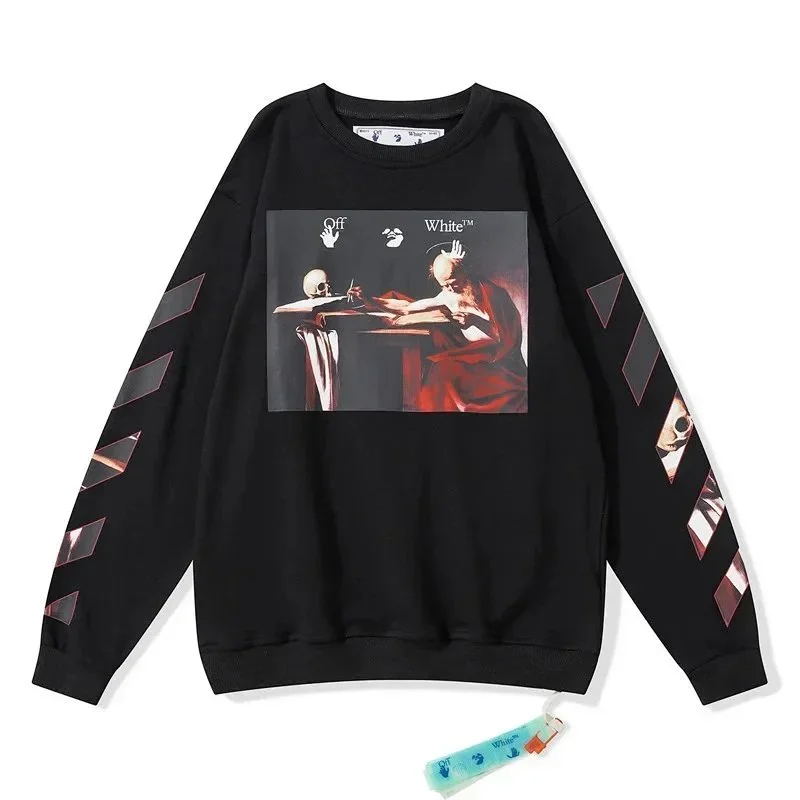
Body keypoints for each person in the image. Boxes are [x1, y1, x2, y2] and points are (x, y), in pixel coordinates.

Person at [354, 241, 528, 412]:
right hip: (471, 355)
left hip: (499, 361)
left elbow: (505, 337)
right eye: (444, 285)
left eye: (453, 282)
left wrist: (475, 321)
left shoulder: (491, 293)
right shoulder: (447, 296)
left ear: (465, 272)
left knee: (447, 373)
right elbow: (406, 308)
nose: (450, 289)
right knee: (438, 372)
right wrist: (370, 299)